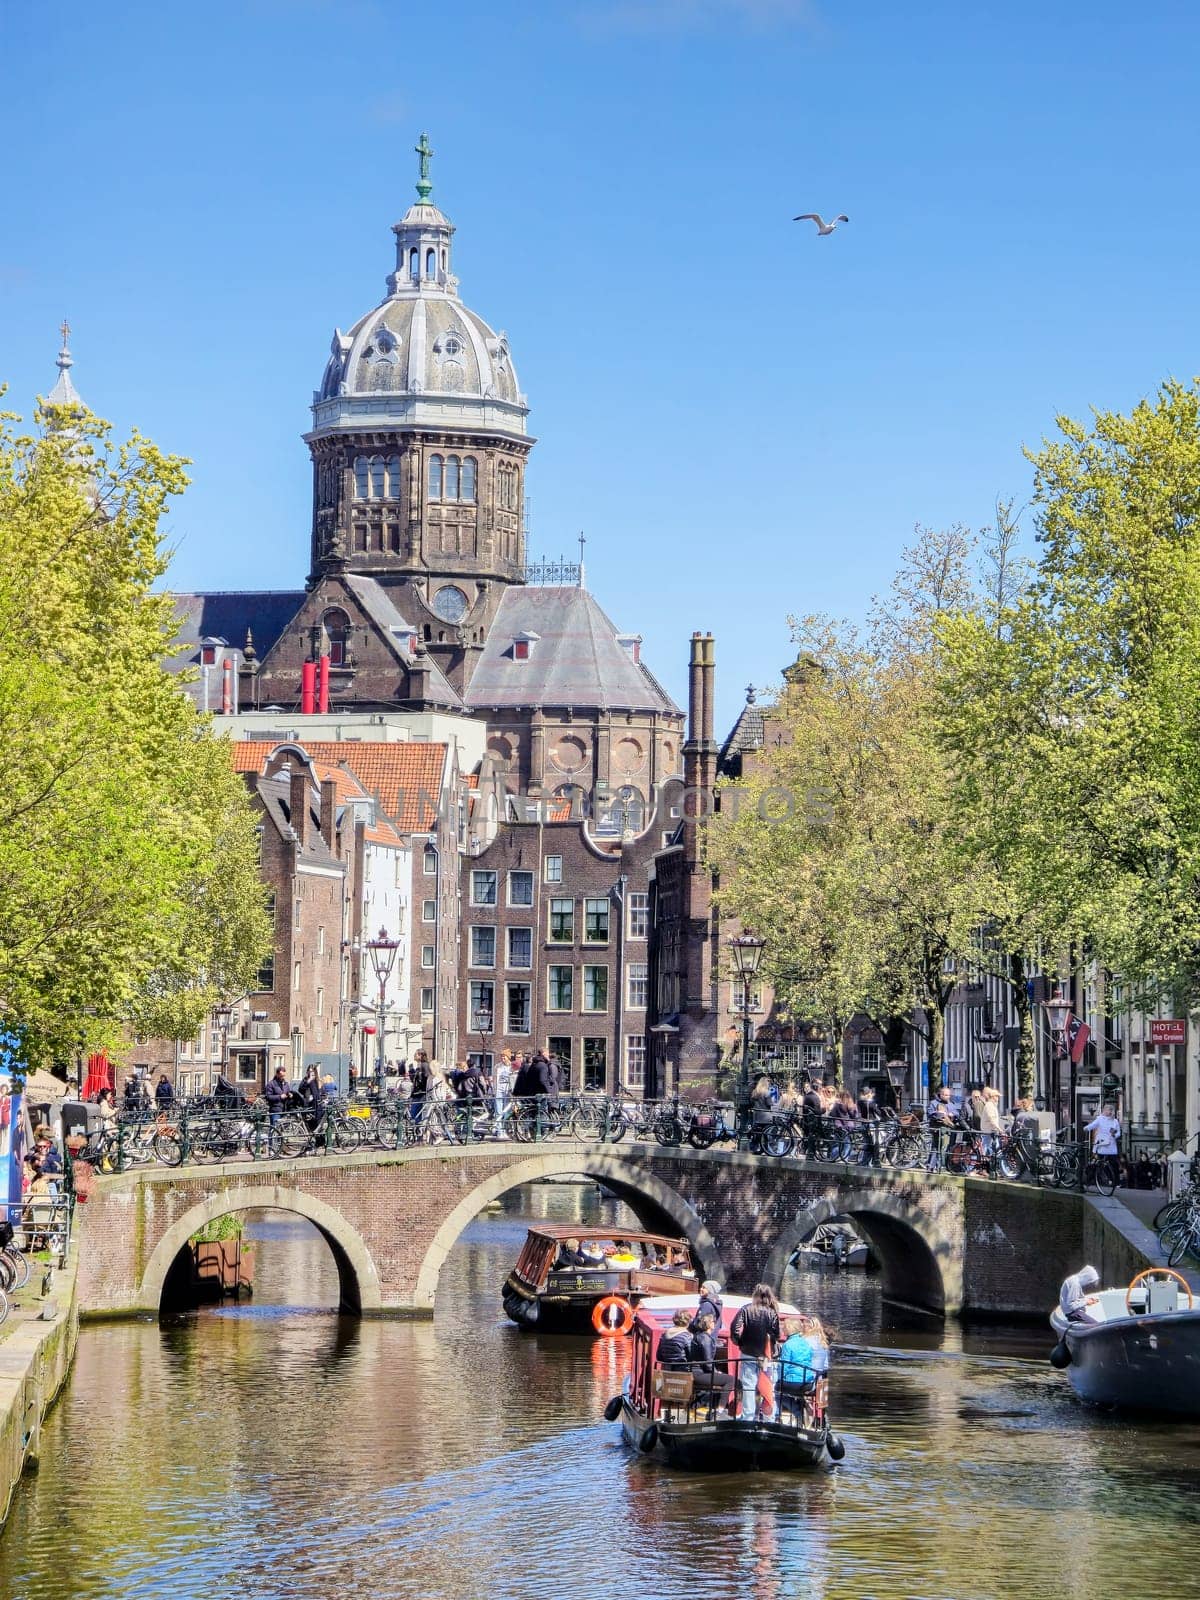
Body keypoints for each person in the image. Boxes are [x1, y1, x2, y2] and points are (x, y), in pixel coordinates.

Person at [730, 1284, 781, 1422]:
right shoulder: (772, 1313)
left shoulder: (746, 1309)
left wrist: (740, 1343)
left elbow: (734, 1329)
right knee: (769, 1385)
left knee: (748, 1386)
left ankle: (748, 1418)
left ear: (755, 1295)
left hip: (748, 1353)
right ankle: (769, 1418)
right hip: (767, 1355)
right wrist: (769, 1345)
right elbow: (776, 1334)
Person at [689, 1312, 736, 1412]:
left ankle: (695, 1407)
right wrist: (715, 1371)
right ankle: (720, 1409)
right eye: (713, 1321)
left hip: (696, 1372)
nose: (715, 1323)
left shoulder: (699, 1336)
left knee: (720, 1382)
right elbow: (708, 1361)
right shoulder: (705, 1338)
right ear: (709, 1324)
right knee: (730, 1380)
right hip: (699, 1374)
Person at [1084, 1102, 1122, 1190]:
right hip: (1101, 1144)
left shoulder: (1115, 1121)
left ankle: (1116, 1182)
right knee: (1096, 1163)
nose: (1109, 1112)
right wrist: (1086, 1128)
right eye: (1107, 1110)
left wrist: (1114, 1135)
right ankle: (1089, 1181)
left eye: (1110, 1110)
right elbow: (1093, 1125)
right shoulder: (1100, 1119)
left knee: (1114, 1165)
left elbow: (1118, 1133)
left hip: (1111, 1145)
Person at [926, 1086, 955, 1171]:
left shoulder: (951, 1104)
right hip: (936, 1128)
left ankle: (938, 1166)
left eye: (949, 1095)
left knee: (943, 1148)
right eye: (946, 1095)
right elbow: (929, 1113)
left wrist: (952, 1114)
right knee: (936, 1147)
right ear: (941, 1095)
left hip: (946, 1129)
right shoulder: (933, 1103)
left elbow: (956, 1113)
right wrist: (937, 1113)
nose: (947, 1097)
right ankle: (932, 1166)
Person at [978, 1086, 1003, 1157]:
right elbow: (992, 1119)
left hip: (991, 1131)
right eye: (997, 1096)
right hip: (988, 1131)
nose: (998, 1098)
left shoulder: (992, 1105)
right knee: (986, 1148)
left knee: (991, 1148)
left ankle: (993, 1163)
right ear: (993, 1097)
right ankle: (974, 1165)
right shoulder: (989, 1106)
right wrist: (999, 1129)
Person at [492, 1051, 513, 1137]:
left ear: (508, 1057)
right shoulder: (497, 1066)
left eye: (504, 1057)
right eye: (502, 1056)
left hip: (508, 1091)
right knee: (498, 1110)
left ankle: (505, 1129)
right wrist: (494, 1089)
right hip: (499, 1090)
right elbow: (494, 1078)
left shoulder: (512, 1066)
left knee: (507, 1111)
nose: (502, 1058)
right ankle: (499, 1130)